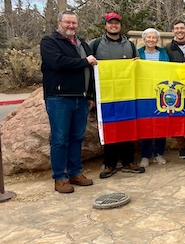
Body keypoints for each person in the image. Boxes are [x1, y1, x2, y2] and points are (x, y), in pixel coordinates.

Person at [41, 10, 96, 193]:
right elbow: (58, 63)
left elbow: (90, 71)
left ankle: (75, 172)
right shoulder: (50, 42)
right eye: (67, 23)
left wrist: (90, 95)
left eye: (74, 23)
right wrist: (84, 61)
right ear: (59, 23)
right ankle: (60, 177)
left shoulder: (81, 44)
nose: (71, 26)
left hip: (80, 99)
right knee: (59, 139)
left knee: (77, 138)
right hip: (59, 98)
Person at [91, 12, 145, 178]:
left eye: (116, 23)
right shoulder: (96, 44)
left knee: (128, 127)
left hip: (127, 94)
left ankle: (129, 161)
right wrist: (91, 95)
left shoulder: (129, 45)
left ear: (120, 25)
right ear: (105, 25)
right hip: (106, 96)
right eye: (110, 23)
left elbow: (138, 66)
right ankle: (110, 164)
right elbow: (88, 68)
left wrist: (137, 63)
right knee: (109, 128)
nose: (113, 25)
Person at [137, 28, 170, 167]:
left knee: (160, 122)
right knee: (145, 124)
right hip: (144, 93)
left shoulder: (163, 53)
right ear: (144, 39)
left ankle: (158, 153)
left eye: (154, 37)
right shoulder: (138, 53)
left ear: (157, 40)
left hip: (160, 92)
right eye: (148, 37)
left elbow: (169, 69)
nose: (151, 40)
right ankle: (145, 155)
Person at [165, 20, 185, 159]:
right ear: (173, 31)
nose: (179, 31)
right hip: (175, 88)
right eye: (176, 28)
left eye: (182, 28)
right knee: (176, 117)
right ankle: (182, 146)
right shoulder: (168, 48)